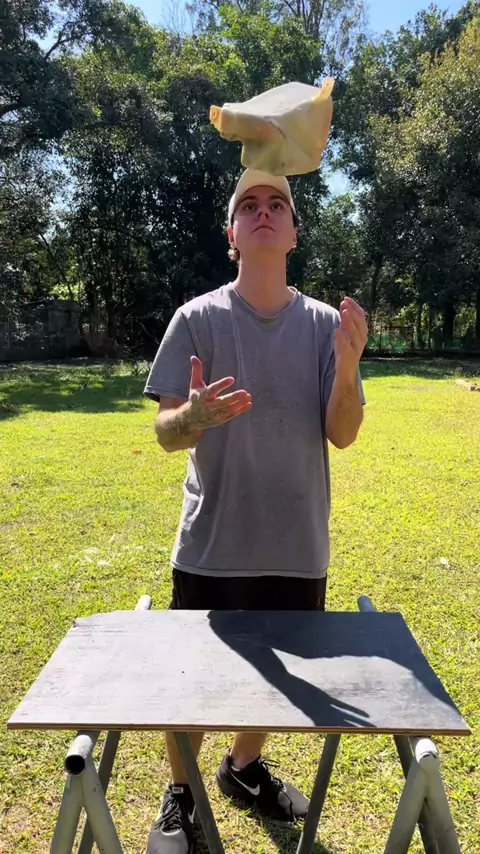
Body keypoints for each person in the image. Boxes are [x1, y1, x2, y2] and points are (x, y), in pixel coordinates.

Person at [143, 168, 368, 854]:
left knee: (279, 682)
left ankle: (242, 769)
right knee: (193, 687)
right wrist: (193, 416)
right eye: (249, 205)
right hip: (212, 548)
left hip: (297, 548)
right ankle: (181, 795)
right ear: (232, 234)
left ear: (294, 233)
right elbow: (165, 433)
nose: (264, 212)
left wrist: (349, 367)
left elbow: (343, 433)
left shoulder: (326, 326)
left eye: (277, 204)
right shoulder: (196, 319)